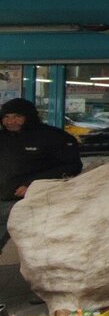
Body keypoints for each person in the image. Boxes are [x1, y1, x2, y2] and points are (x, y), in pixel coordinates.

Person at [1, 98, 83, 253]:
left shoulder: (54, 137)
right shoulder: (3, 138)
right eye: (6, 117)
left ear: (29, 116)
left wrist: (32, 184)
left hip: (29, 201)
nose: (11, 121)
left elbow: (72, 165)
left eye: (17, 116)